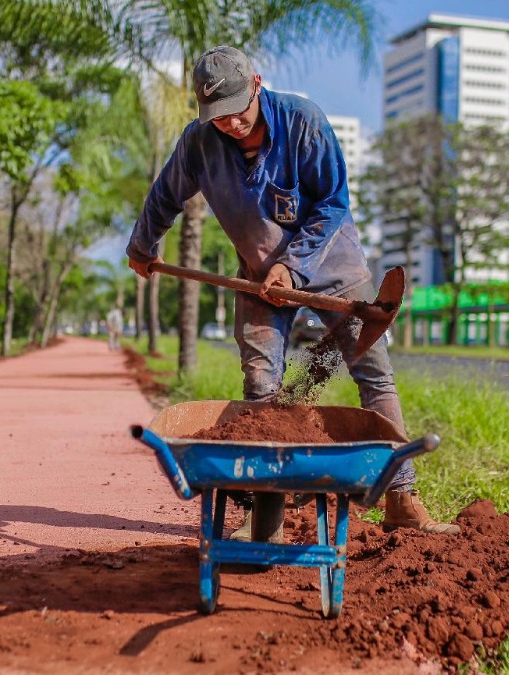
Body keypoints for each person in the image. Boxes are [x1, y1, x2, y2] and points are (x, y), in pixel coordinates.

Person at [125, 45, 458, 539]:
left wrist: (293, 267)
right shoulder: (199, 143)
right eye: (218, 116)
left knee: (374, 376)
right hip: (257, 276)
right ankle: (266, 517)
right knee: (261, 389)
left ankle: (402, 498)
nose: (232, 123)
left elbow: (332, 201)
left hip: (332, 265)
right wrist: (142, 245)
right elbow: (165, 193)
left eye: (238, 110)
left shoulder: (304, 121)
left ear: (257, 85)